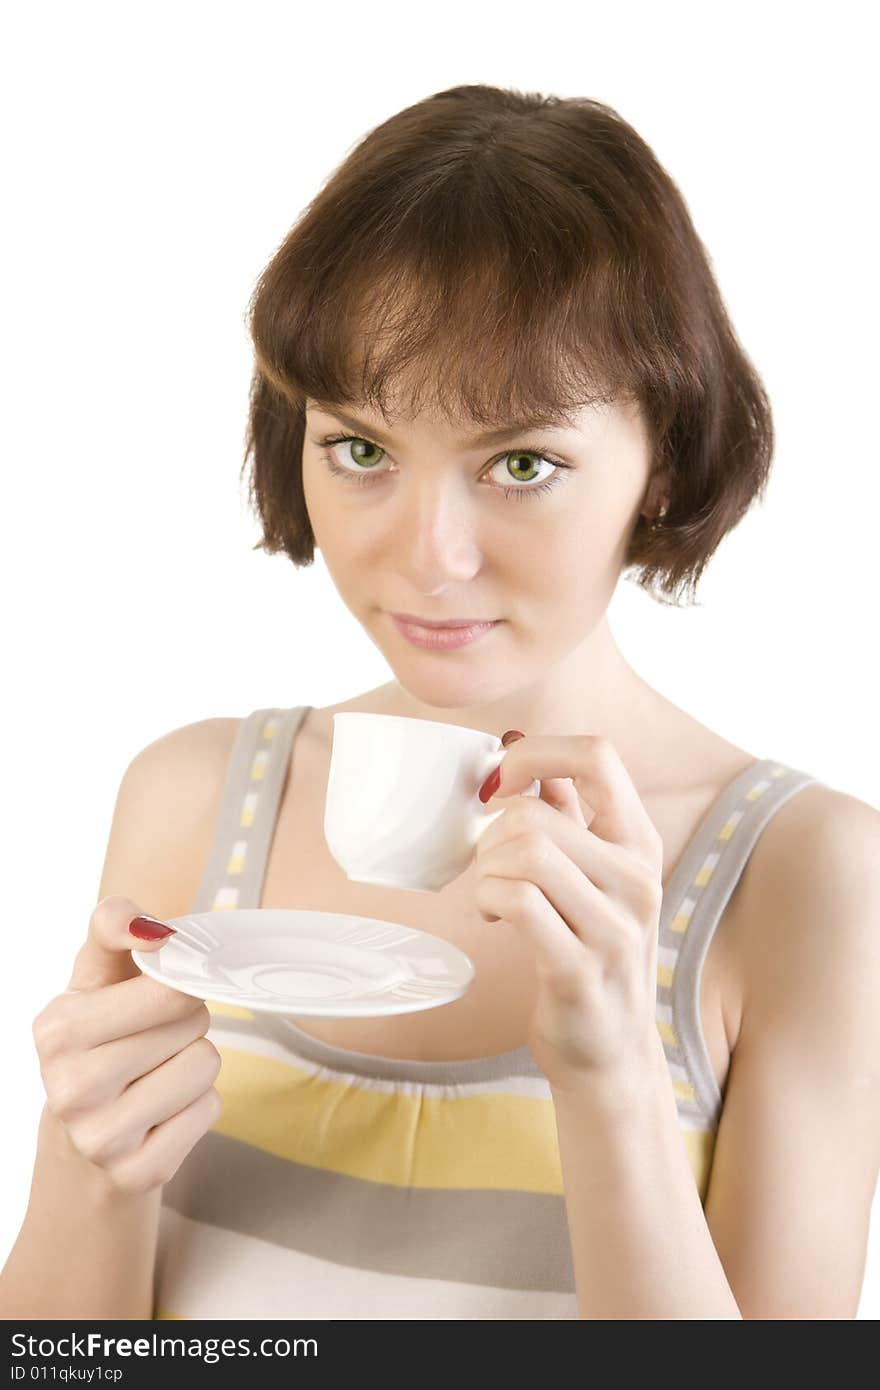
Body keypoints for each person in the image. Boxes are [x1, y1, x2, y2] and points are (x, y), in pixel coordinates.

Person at [2, 83, 878, 1322]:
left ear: (666, 454)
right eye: (359, 448)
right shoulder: (194, 799)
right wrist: (87, 1163)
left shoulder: (804, 876)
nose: (427, 555)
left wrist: (612, 1070)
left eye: (520, 464)